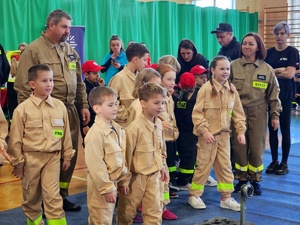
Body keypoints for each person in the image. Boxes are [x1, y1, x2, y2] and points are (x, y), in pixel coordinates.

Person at [14, 9, 90, 211]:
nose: (68, 31)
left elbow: (79, 81)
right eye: (64, 27)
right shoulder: (33, 50)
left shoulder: (70, 51)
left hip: (70, 110)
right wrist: (29, 116)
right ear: (51, 26)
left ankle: (61, 196)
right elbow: (22, 86)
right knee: (46, 158)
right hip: (44, 114)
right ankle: (41, 202)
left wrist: (83, 105)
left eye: (69, 27)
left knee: (69, 155)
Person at [7, 64, 75, 225]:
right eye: (44, 81)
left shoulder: (59, 107)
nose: (49, 84)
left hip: (53, 157)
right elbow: (15, 140)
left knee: (53, 196)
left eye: (51, 80)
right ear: (32, 84)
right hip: (30, 159)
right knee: (31, 197)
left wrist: (67, 155)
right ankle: (35, 221)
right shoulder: (22, 110)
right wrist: (18, 163)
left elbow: (66, 134)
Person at [188, 56, 246, 211]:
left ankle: (226, 197)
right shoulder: (206, 90)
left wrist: (240, 131)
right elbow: (197, 114)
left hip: (224, 137)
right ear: (212, 70)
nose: (225, 72)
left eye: (227, 68)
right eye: (222, 69)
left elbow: (238, 114)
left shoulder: (232, 90)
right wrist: (204, 131)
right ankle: (194, 194)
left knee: (225, 167)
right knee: (203, 166)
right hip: (207, 137)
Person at [230, 33, 281, 195]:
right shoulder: (232, 66)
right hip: (237, 112)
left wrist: (275, 115)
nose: (246, 46)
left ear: (258, 47)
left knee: (256, 147)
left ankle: (255, 179)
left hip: (259, 111)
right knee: (239, 147)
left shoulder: (267, 69)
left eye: (250, 44)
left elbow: (274, 94)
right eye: (244, 43)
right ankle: (241, 178)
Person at [117, 82, 168, 225]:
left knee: (154, 213)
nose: (161, 107)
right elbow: (125, 158)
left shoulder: (159, 124)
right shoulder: (134, 129)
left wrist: (162, 166)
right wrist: (124, 181)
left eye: (163, 103)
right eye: (156, 102)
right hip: (135, 179)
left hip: (154, 176)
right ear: (143, 104)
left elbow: (161, 150)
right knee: (127, 213)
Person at [84, 86, 131, 225]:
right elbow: (96, 165)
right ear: (97, 108)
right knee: (101, 220)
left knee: (109, 218)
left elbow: (121, 159)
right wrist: (106, 188)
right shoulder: (95, 134)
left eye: (116, 104)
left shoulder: (117, 129)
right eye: (110, 105)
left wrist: (123, 181)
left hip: (114, 182)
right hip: (100, 187)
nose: (115, 108)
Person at [265, 22, 300, 175]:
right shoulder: (268, 53)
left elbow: (290, 74)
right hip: (271, 95)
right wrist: (281, 71)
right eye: (277, 34)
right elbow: (267, 74)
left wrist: (277, 70)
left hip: (285, 95)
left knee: (284, 128)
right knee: (273, 128)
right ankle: (274, 160)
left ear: (288, 35)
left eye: (282, 33)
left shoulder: (292, 51)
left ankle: (284, 162)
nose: (279, 37)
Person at [156, 63, 179, 220]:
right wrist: (159, 124)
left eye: (174, 79)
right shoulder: (156, 98)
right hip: (157, 140)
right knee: (159, 175)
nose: (172, 82)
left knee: (164, 176)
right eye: (169, 79)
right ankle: (157, 206)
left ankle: (162, 205)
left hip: (166, 140)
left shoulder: (169, 97)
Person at [108, 42, 149, 128]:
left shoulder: (142, 78)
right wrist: (131, 113)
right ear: (135, 60)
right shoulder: (118, 79)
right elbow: (110, 106)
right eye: (144, 60)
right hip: (125, 128)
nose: (146, 64)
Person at [80, 60, 105, 140]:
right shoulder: (83, 89)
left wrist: (102, 88)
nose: (98, 75)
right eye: (94, 73)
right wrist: (84, 125)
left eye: (98, 72)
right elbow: (83, 108)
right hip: (89, 122)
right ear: (86, 74)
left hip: (99, 120)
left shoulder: (98, 84)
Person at [6, 42, 27, 123]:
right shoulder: (12, 58)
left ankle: (16, 122)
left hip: (16, 84)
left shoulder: (11, 57)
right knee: (15, 104)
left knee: (15, 104)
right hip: (15, 84)